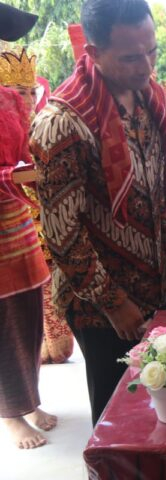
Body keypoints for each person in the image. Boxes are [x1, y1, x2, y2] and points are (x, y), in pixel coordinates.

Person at [30, 0, 166, 425]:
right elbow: (62, 235)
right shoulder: (63, 122)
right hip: (96, 302)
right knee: (115, 417)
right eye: (131, 57)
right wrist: (113, 302)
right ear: (94, 53)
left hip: (151, 283)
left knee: (154, 399)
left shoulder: (149, 97)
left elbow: (157, 186)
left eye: (152, 50)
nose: (146, 66)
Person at [0, 1, 57, 450]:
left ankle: (31, 399)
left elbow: (25, 149)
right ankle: (11, 415)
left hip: (17, 219)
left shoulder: (7, 95)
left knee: (28, 313)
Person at [1, 47, 75, 365]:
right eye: (19, 92)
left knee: (59, 348)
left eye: (32, 91)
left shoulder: (42, 125)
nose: (29, 99)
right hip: (13, 240)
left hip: (48, 235)